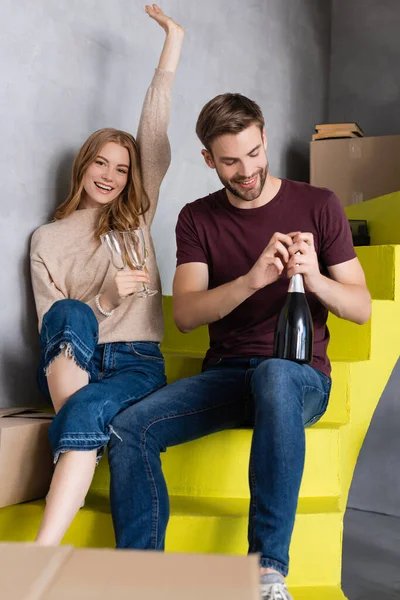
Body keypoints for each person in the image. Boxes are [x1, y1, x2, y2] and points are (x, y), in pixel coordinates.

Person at [107, 92, 371, 599]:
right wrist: (252, 280)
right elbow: (185, 315)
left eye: (253, 153)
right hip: (228, 374)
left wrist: (314, 278)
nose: (246, 170)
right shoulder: (197, 218)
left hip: (299, 375)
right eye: (230, 161)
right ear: (208, 158)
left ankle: (266, 574)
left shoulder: (319, 204)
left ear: (264, 138)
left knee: (275, 374)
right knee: (127, 428)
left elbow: (360, 307)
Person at [30, 4, 184, 546]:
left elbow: (154, 127)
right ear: (84, 164)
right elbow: (55, 326)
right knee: (70, 311)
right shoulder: (47, 240)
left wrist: (172, 42)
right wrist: (103, 298)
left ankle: (41, 553)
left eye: (122, 168)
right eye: (103, 163)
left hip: (135, 363)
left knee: (94, 410)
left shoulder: (136, 216)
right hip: (76, 360)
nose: (112, 177)